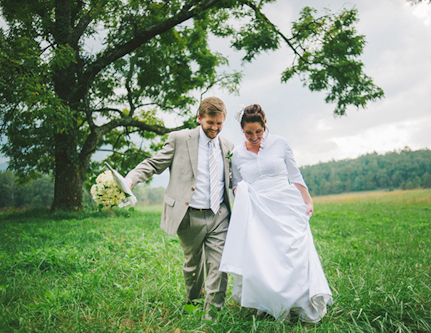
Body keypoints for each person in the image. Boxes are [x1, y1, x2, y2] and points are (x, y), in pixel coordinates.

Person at [219, 104, 333, 322]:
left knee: (294, 254)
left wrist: (307, 199)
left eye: (258, 132)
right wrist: (241, 194)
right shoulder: (237, 154)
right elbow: (237, 185)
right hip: (259, 211)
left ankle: (302, 304)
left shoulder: (280, 143)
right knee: (267, 258)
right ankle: (272, 304)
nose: (254, 137)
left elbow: (294, 172)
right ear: (242, 130)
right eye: (248, 133)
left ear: (265, 126)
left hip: (286, 204)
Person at [125, 97, 234, 319]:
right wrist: (130, 180)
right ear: (199, 118)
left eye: (219, 124)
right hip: (189, 215)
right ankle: (192, 304)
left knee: (219, 266)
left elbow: (234, 178)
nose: (214, 128)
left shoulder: (228, 146)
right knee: (193, 266)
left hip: (219, 215)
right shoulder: (179, 139)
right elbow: (154, 164)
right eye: (210, 122)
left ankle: (211, 317)